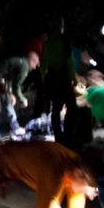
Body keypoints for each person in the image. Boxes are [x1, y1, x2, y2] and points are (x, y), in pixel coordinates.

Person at [40, 17, 78, 148]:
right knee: (72, 107)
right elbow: (69, 60)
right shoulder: (64, 40)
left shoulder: (48, 42)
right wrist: (74, 77)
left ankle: (58, 136)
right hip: (63, 77)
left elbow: (43, 63)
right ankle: (69, 135)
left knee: (56, 108)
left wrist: (44, 80)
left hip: (51, 78)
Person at [0, 51, 40, 143]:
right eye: (36, 63)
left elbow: (9, 78)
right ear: (32, 61)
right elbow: (16, 86)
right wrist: (22, 99)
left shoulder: (21, 62)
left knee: (7, 101)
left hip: (1, 80)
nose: (35, 67)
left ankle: (15, 127)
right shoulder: (24, 66)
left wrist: (10, 93)